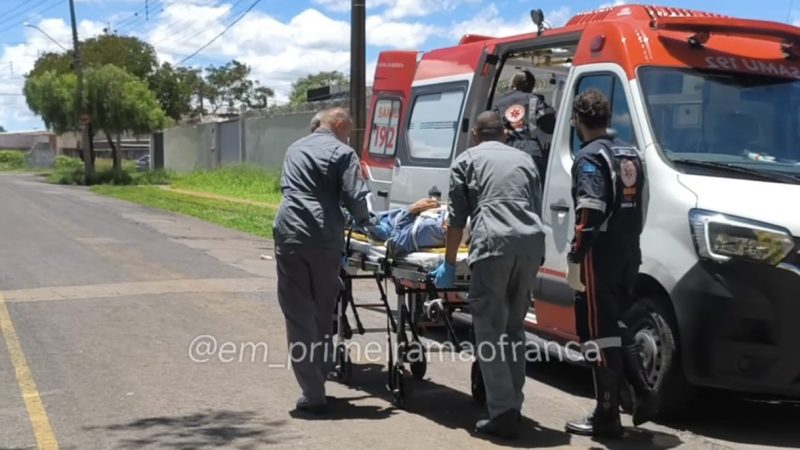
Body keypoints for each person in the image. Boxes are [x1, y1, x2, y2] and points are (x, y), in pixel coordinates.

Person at [430, 111, 546, 440]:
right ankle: (513, 405)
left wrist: (450, 264)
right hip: (530, 245)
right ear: (504, 134)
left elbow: (455, 220)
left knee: (490, 332)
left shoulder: (467, 160)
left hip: (493, 245)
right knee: (514, 329)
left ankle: (502, 412)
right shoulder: (525, 160)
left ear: (477, 134)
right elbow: (534, 207)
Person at [563, 89, 658, 438]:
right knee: (616, 325)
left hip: (598, 254)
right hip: (628, 250)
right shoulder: (628, 152)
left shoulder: (590, 157)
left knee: (597, 335)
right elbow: (642, 202)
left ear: (578, 120)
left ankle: (607, 416)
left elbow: (590, 209)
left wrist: (576, 253)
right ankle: (642, 394)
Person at [273, 107, 371, 414]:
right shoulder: (343, 153)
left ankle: (312, 389)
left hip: (289, 233)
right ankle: (322, 373)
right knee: (324, 308)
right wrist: (369, 223)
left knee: (297, 312)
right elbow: (356, 197)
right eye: (349, 130)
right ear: (340, 124)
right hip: (324, 237)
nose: (348, 136)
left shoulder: (294, 148)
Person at [493, 70, 556, 179]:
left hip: (507, 152)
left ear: (513, 84)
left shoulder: (499, 104)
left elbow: (493, 129)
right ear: (531, 86)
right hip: (532, 152)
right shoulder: (536, 101)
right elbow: (550, 125)